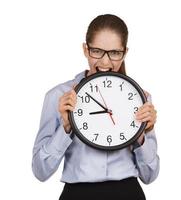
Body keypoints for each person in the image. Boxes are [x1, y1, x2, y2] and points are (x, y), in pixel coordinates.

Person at [32, 14, 159, 200]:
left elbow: (150, 176)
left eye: (115, 53)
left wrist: (140, 134)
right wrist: (66, 127)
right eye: (97, 51)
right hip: (77, 195)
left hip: (128, 194)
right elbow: (40, 171)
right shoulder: (59, 97)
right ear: (85, 49)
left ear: (125, 52)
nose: (106, 62)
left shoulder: (139, 98)